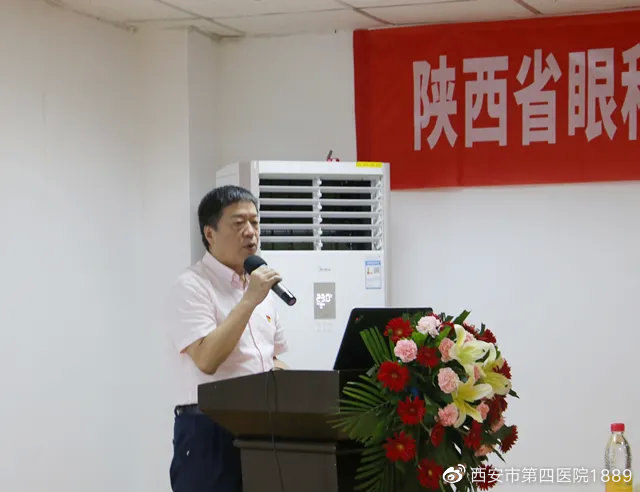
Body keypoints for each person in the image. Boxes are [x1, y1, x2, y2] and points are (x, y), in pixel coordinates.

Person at [166, 185, 288, 492]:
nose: (251, 232)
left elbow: (271, 358)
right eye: (238, 223)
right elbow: (207, 359)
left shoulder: (259, 288)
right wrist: (248, 301)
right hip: (209, 429)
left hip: (262, 426)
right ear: (210, 233)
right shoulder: (191, 286)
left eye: (255, 223)